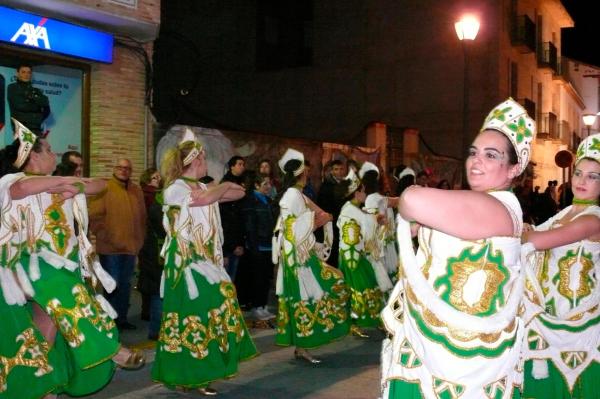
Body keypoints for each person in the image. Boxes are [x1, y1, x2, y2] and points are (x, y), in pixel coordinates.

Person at [381, 98, 536, 398]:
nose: (476, 161)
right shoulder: (489, 204)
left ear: (514, 168)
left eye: (491, 155)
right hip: (440, 343)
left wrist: (415, 212)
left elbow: (411, 199)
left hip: (462, 358)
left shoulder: (497, 207)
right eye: (473, 152)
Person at [0, 122, 145, 399]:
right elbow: (25, 189)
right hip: (26, 264)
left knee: (48, 327)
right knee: (69, 293)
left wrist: (74, 185)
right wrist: (69, 184)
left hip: (60, 265)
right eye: (50, 150)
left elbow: (101, 184)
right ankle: (112, 349)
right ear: (34, 156)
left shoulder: (55, 182)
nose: (54, 155)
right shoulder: (10, 182)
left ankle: (40, 387)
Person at [152, 130, 257, 395]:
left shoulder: (200, 186)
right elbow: (208, 199)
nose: (206, 162)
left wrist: (216, 186)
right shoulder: (175, 188)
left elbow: (238, 192)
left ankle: (196, 374)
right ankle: (191, 375)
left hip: (204, 259)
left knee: (209, 310)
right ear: (195, 161)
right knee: (196, 314)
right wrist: (216, 188)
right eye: (204, 158)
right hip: (185, 261)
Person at [520, 133, 600, 399]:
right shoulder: (566, 213)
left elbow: (539, 240)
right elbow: (532, 234)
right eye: (578, 173)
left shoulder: (593, 220)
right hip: (549, 316)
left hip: (579, 321)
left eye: (593, 176)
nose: (581, 181)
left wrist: (510, 226)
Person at [273, 148, 350, 364]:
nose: (308, 174)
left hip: (297, 254)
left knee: (307, 295)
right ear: (301, 173)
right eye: (306, 171)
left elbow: (316, 213)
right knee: (309, 295)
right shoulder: (293, 196)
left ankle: (301, 345)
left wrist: (322, 216)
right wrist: (320, 221)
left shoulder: (297, 195)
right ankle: (304, 345)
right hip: (299, 257)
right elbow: (294, 229)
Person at [89, 158, 146, 331]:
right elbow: (94, 217)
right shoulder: (105, 188)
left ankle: (121, 319)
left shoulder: (136, 191)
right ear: (114, 169)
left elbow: (143, 218)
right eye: (120, 167)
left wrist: (140, 239)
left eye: (127, 168)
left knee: (126, 286)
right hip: (110, 249)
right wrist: (106, 235)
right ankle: (109, 322)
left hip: (130, 248)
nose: (123, 170)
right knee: (112, 285)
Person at [337, 168, 393, 335]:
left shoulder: (349, 208)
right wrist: (377, 219)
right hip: (354, 257)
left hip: (354, 255)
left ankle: (371, 321)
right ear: (356, 193)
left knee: (361, 289)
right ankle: (358, 323)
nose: (364, 193)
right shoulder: (351, 210)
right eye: (362, 190)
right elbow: (367, 227)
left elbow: (365, 222)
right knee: (362, 289)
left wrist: (374, 219)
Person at [242, 173, 277, 320]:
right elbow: (250, 225)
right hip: (258, 246)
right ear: (256, 185)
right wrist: (253, 245)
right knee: (258, 278)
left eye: (269, 184)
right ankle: (256, 306)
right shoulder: (251, 200)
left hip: (269, 245)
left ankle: (263, 305)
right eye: (265, 184)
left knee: (266, 278)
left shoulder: (268, 201)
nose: (269, 187)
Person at [137, 167, 165, 340]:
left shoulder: (156, 200)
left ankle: (154, 323)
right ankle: (155, 329)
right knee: (157, 290)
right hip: (153, 249)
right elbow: (162, 227)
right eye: (154, 177)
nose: (157, 180)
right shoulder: (152, 201)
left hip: (152, 248)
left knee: (154, 288)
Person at [360, 162, 400, 283]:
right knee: (383, 270)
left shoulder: (373, 198)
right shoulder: (375, 198)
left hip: (380, 239)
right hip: (379, 240)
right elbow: (395, 201)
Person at [219, 155, 246, 281]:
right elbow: (225, 219)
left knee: (233, 279)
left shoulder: (242, 182)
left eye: (243, 164)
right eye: (239, 164)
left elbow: (241, 218)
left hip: (237, 239)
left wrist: (240, 243)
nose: (242, 167)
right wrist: (230, 246)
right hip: (227, 242)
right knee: (225, 280)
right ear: (231, 167)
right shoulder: (225, 185)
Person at [317, 159, 347, 268]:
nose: (339, 172)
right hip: (331, 223)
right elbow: (323, 206)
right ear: (331, 171)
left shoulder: (345, 184)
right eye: (336, 169)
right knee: (332, 251)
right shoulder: (326, 186)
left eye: (341, 169)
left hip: (343, 222)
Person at [7, 64, 50, 135]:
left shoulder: (36, 90)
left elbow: (46, 104)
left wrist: (37, 119)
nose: (26, 75)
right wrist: (36, 105)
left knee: (41, 146)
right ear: (17, 73)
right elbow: (20, 106)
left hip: (36, 128)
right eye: (23, 72)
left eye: (29, 72)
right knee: (25, 146)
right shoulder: (13, 87)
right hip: (21, 128)